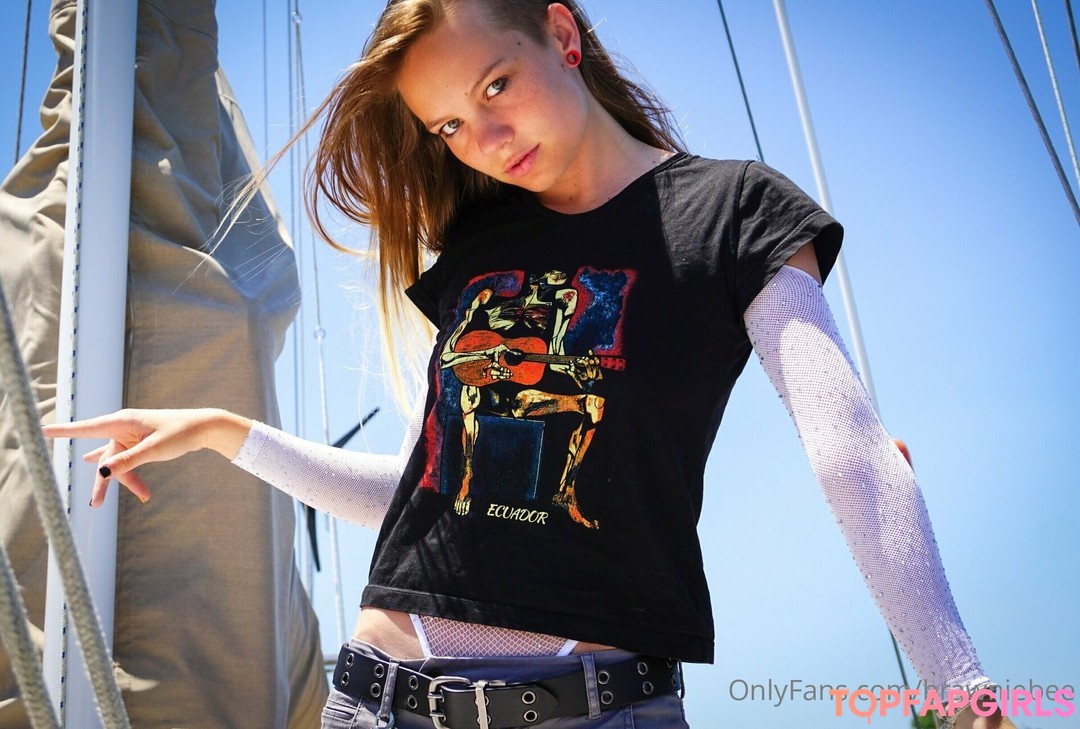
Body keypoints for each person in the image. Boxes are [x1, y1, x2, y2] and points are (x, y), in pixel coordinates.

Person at [43, 1, 1017, 727]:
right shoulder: (480, 246)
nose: (485, 140)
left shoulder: (733, 211)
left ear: (561, 33)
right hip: (377, 699)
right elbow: (435, 495)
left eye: (494, 87)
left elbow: (851, 454)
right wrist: (227, 433)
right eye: (449, 126)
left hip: (596, 706)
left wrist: (962, 690)